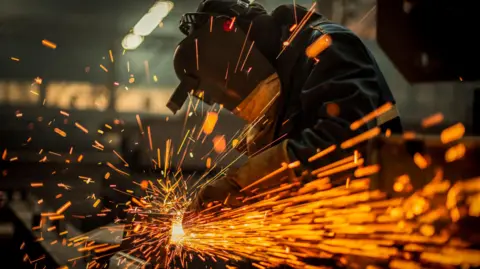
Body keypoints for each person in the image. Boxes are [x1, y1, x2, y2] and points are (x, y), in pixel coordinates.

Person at [167, 0, 403, 212]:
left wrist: (247, 183)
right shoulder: (284, 75)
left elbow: (346, 143)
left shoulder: (325, 45)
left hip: (374, 217)